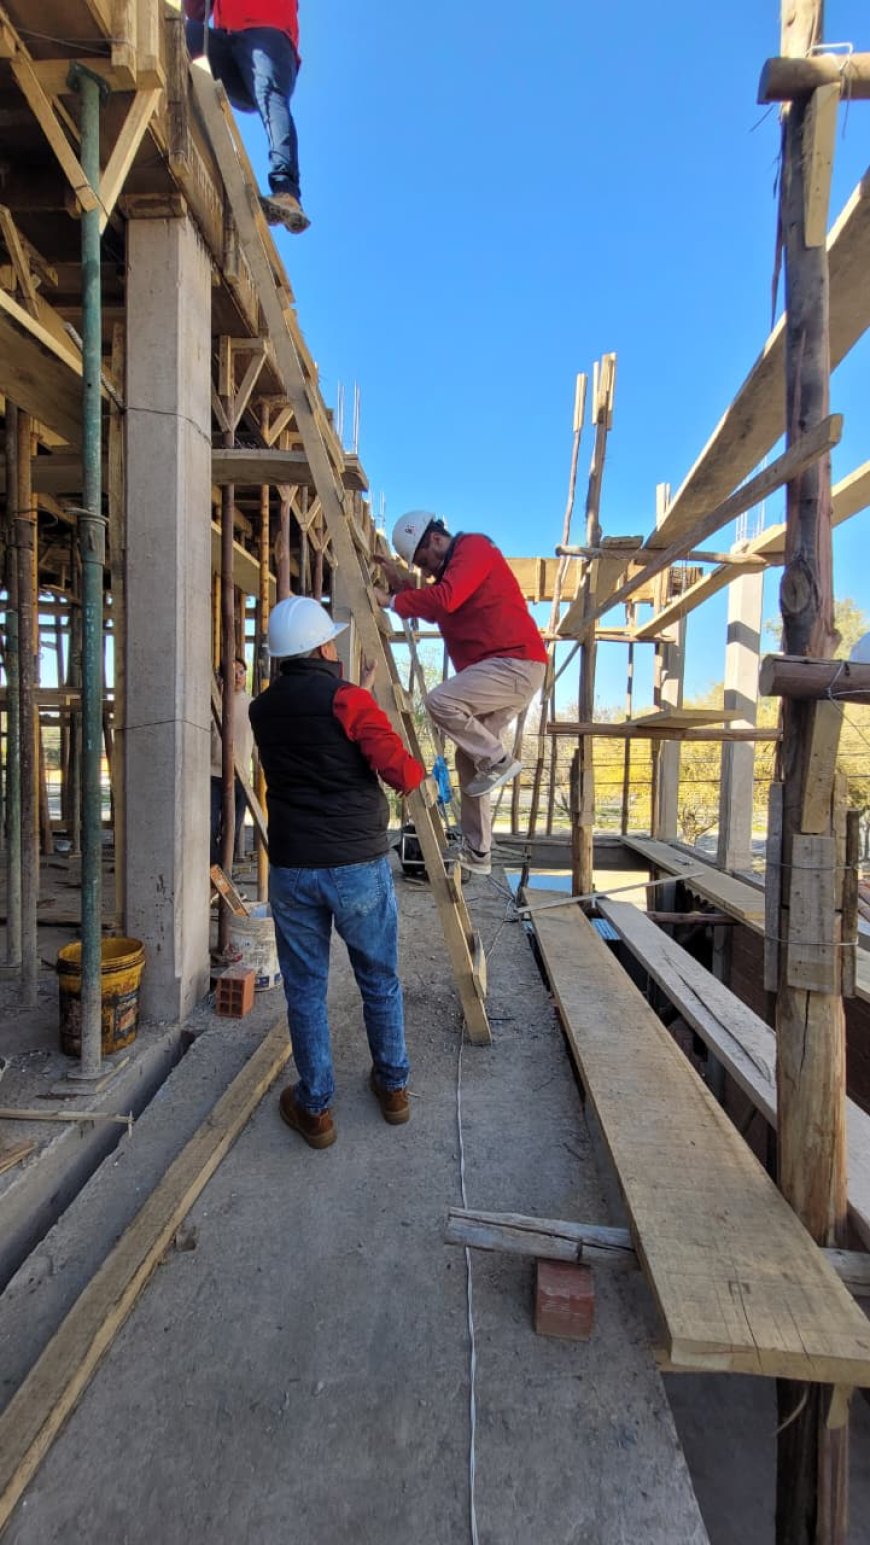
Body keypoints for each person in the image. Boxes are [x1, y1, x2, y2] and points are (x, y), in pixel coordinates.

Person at [249, 595, 425, 1150]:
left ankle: (316, 1109)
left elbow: (313, 737)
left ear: (281, 656)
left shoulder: (261, 709)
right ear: (325, 646)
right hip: (356, 867)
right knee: (378, 978)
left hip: (294, 867)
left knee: (305, 990)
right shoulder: (347, 701)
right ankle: (393, 1088)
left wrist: (359, 700)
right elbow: (404, 774)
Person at [374, 512, 547, 877]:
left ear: (436, 539)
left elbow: (446, 600)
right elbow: (440, 605)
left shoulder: (474, 548)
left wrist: (391, 601)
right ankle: (479, 852)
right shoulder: (452, 575)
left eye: (424, 561)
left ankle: (499, 760)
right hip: (504, 668)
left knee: (440, 701)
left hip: (514, 663)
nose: (426, 569)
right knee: (468, 758)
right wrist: (405, 588)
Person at [183, 0, 309, 234]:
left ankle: (287, 191)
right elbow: (195, 11)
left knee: (269, 94)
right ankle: (185, 123)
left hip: (267, 33)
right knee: (184, 33)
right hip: (228, 42)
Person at [210, 656, 254, 867]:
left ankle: (223, 877)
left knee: (232, 831)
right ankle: (214, 875)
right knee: (210, 828)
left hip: (240, 778)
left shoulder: (253, 706)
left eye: (241, 672)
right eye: (233, 672)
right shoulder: (213, 704)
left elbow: (257, 745)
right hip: (212, 775)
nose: (238, 676)